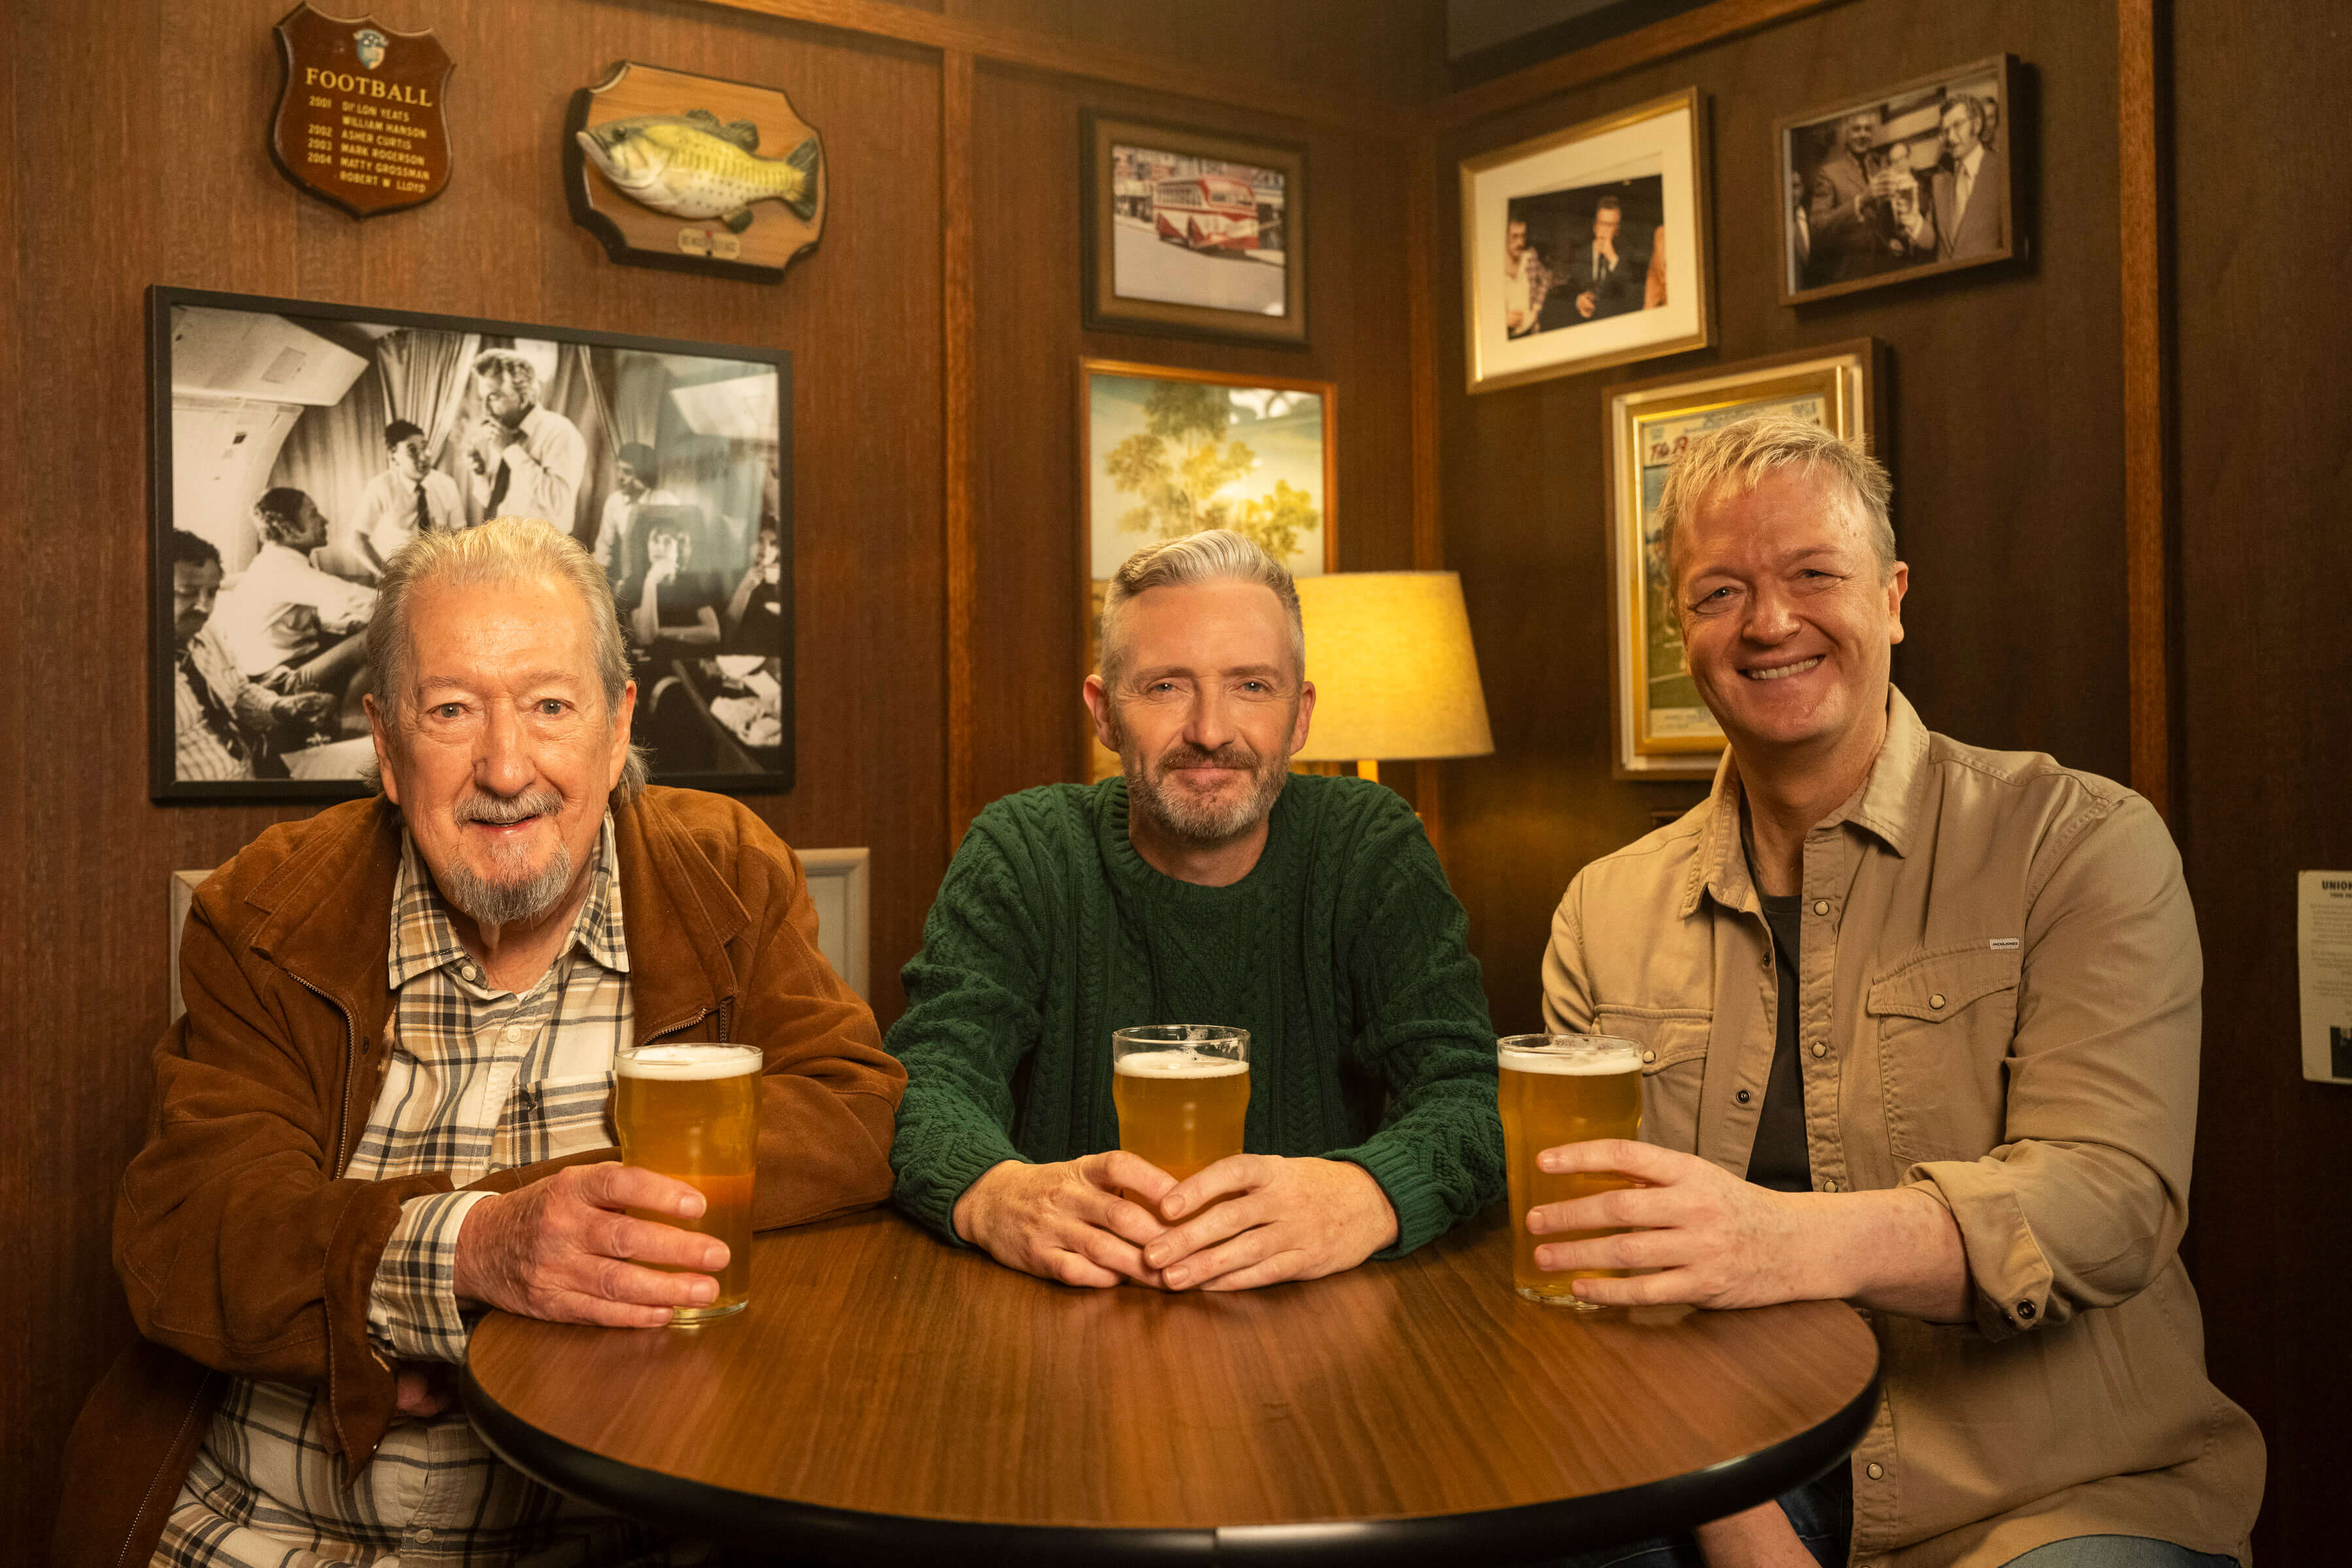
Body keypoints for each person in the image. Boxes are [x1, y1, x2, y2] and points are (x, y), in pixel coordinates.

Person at [59, 517, 904, 1567]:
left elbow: (850, 1111)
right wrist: (476, 1250)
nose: (506, 768)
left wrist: (512, 1233)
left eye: (551, 705)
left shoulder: (728, 871)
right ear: (385, 744)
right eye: (452, 710)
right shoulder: (265, 907)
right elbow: (188, 1232)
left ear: (617, 726)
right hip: (264, 1528)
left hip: (608, 1536)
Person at [1533, 417, 2263, 1567]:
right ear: (1682, 629)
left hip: (2052, 1496)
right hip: (1714, 1482)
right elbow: (1596, 1266)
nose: (1770, 623)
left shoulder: (2080, 843)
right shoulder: (1603, 908)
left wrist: (1776, 1242)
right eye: (1720, 591)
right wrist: (1745, 1527)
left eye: (1814, 575)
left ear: (1894, 597)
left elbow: (2108, 1202)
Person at [887, 529, 1502, 1292]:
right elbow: (927, 1080)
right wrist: (992, 1193)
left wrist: (1369, 1193)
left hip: (1322, 1328)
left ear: (1300, 714)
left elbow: (1472, 1091)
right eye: (1165, 686)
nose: (1210, 731)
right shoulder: (1024, 849)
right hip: (1059, 1329)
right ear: (1104, 712)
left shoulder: (1368, 844)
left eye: (1251, 686)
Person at [167, 529, 336, 780]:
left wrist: (283, 707)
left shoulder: (208, 635)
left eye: (212, 593)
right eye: (187, 593)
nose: (204, 606)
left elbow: (239, 693)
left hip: (259, 773)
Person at [208, 486, 377, 698]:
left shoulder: (280, 560)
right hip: (279, 679)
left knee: (361, 628)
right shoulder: (281, 568)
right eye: (313, 515)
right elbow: (352, 596)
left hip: (297, 659)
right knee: (376, 637)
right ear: (288, 528)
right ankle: (350, 723)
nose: (324, 521)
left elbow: (310, 616)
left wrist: (348, 625)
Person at [464, 348, 587, 530]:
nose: (485, 410)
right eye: (483, 399)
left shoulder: (560, 432)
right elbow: (493, 501)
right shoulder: (504, 433)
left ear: (524, 397)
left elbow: (559, 502)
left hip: (542, 551)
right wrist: (481, 474)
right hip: (503, 546)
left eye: (494, 397)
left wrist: (510, 451)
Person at [352, 419, 465, 580]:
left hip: (439, 577)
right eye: (412, 450)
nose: (424, 456)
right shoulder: (381, 487)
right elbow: (356, 540)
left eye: (425, 448)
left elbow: (459, 534)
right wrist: (390, 578)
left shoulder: (447, 484)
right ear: (394, 456)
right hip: (397, 577)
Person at [1547, 195, 1650, 325]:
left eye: (1611, 225)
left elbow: (1633, 296)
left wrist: (1612, 259)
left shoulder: (1627, 255)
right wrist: (1578, 300)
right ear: (1595, 226)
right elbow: (1567, 289)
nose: (1605, 230)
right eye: (1602, 224)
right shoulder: (1580, 254)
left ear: (1617, 230)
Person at [1927, 93, 2006, 262]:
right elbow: (1931, 240)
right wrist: (1912, 221)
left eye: (1957, 126)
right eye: (1946, 131)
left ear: (1976, 125)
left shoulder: (2002, 170)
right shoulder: (1939, 182)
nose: (1951, 138)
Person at [592, 442, 679, 583]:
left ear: (643, 475)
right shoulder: (615, 502)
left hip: (663, 578)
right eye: (619, 470)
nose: (619, 477)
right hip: (628, 579)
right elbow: (604, 550)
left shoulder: (665, 500)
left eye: (627, 472)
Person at [1501, 214, 1554, 337]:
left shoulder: (1529, 257)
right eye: (1515, 236)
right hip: (1507, 338)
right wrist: (1501, 318)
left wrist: (1536, 307)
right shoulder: (1493, 268)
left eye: (1523, 236)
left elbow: (1546, 279)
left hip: (1531, 332)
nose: (1520, 242)